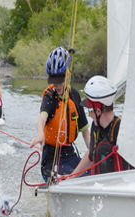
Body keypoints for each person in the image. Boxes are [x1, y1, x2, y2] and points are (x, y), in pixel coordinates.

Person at [30, 47, 90, 182]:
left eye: (60, 81)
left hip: (71, 156)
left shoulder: (74, 95)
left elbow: (85, 131)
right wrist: (40, 134)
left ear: (68, 74)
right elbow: (42, 119)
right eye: (54, 81)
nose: (57, 85)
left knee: (93, 174)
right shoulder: (49, 97)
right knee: (72, 179)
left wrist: (94, 153)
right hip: (51, 161)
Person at [71, 76, 133, 177]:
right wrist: (70, 177)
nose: (89, 115)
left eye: (90, 111)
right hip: (98, 186)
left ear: (99, 111)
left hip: (119, 187)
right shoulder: (96, 127)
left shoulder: (121, 130)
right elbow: (90, 156)